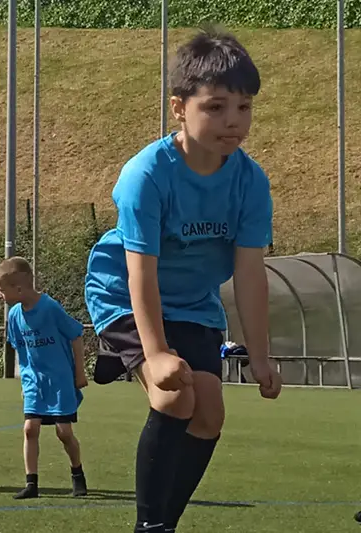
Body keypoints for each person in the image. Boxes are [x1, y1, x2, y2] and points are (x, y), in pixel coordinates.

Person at [84, 28, 283, 532]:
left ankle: (163, 525)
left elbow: (250, 271)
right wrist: (154, 353)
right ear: (179, 107)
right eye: (215, 107)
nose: (233, 121)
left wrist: (259, 355)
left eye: (244, 107)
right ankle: (149, 527)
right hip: (125, 295)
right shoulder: (146, 175)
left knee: (209, 413)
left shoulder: (250, 180)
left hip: (193, 304)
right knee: (175, 396)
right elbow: (140, 271)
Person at [0, 257, 89, 500]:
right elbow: (21, 351)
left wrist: (79, 371)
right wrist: (25, 381)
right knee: (30, 429)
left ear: (20, 289)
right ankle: (31, 483)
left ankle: (78, 473)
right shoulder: (14, 316)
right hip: (34, 382)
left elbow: (76, 334)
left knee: (63, 432)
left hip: (59, 381)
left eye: (1, 290)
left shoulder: (50, 307)